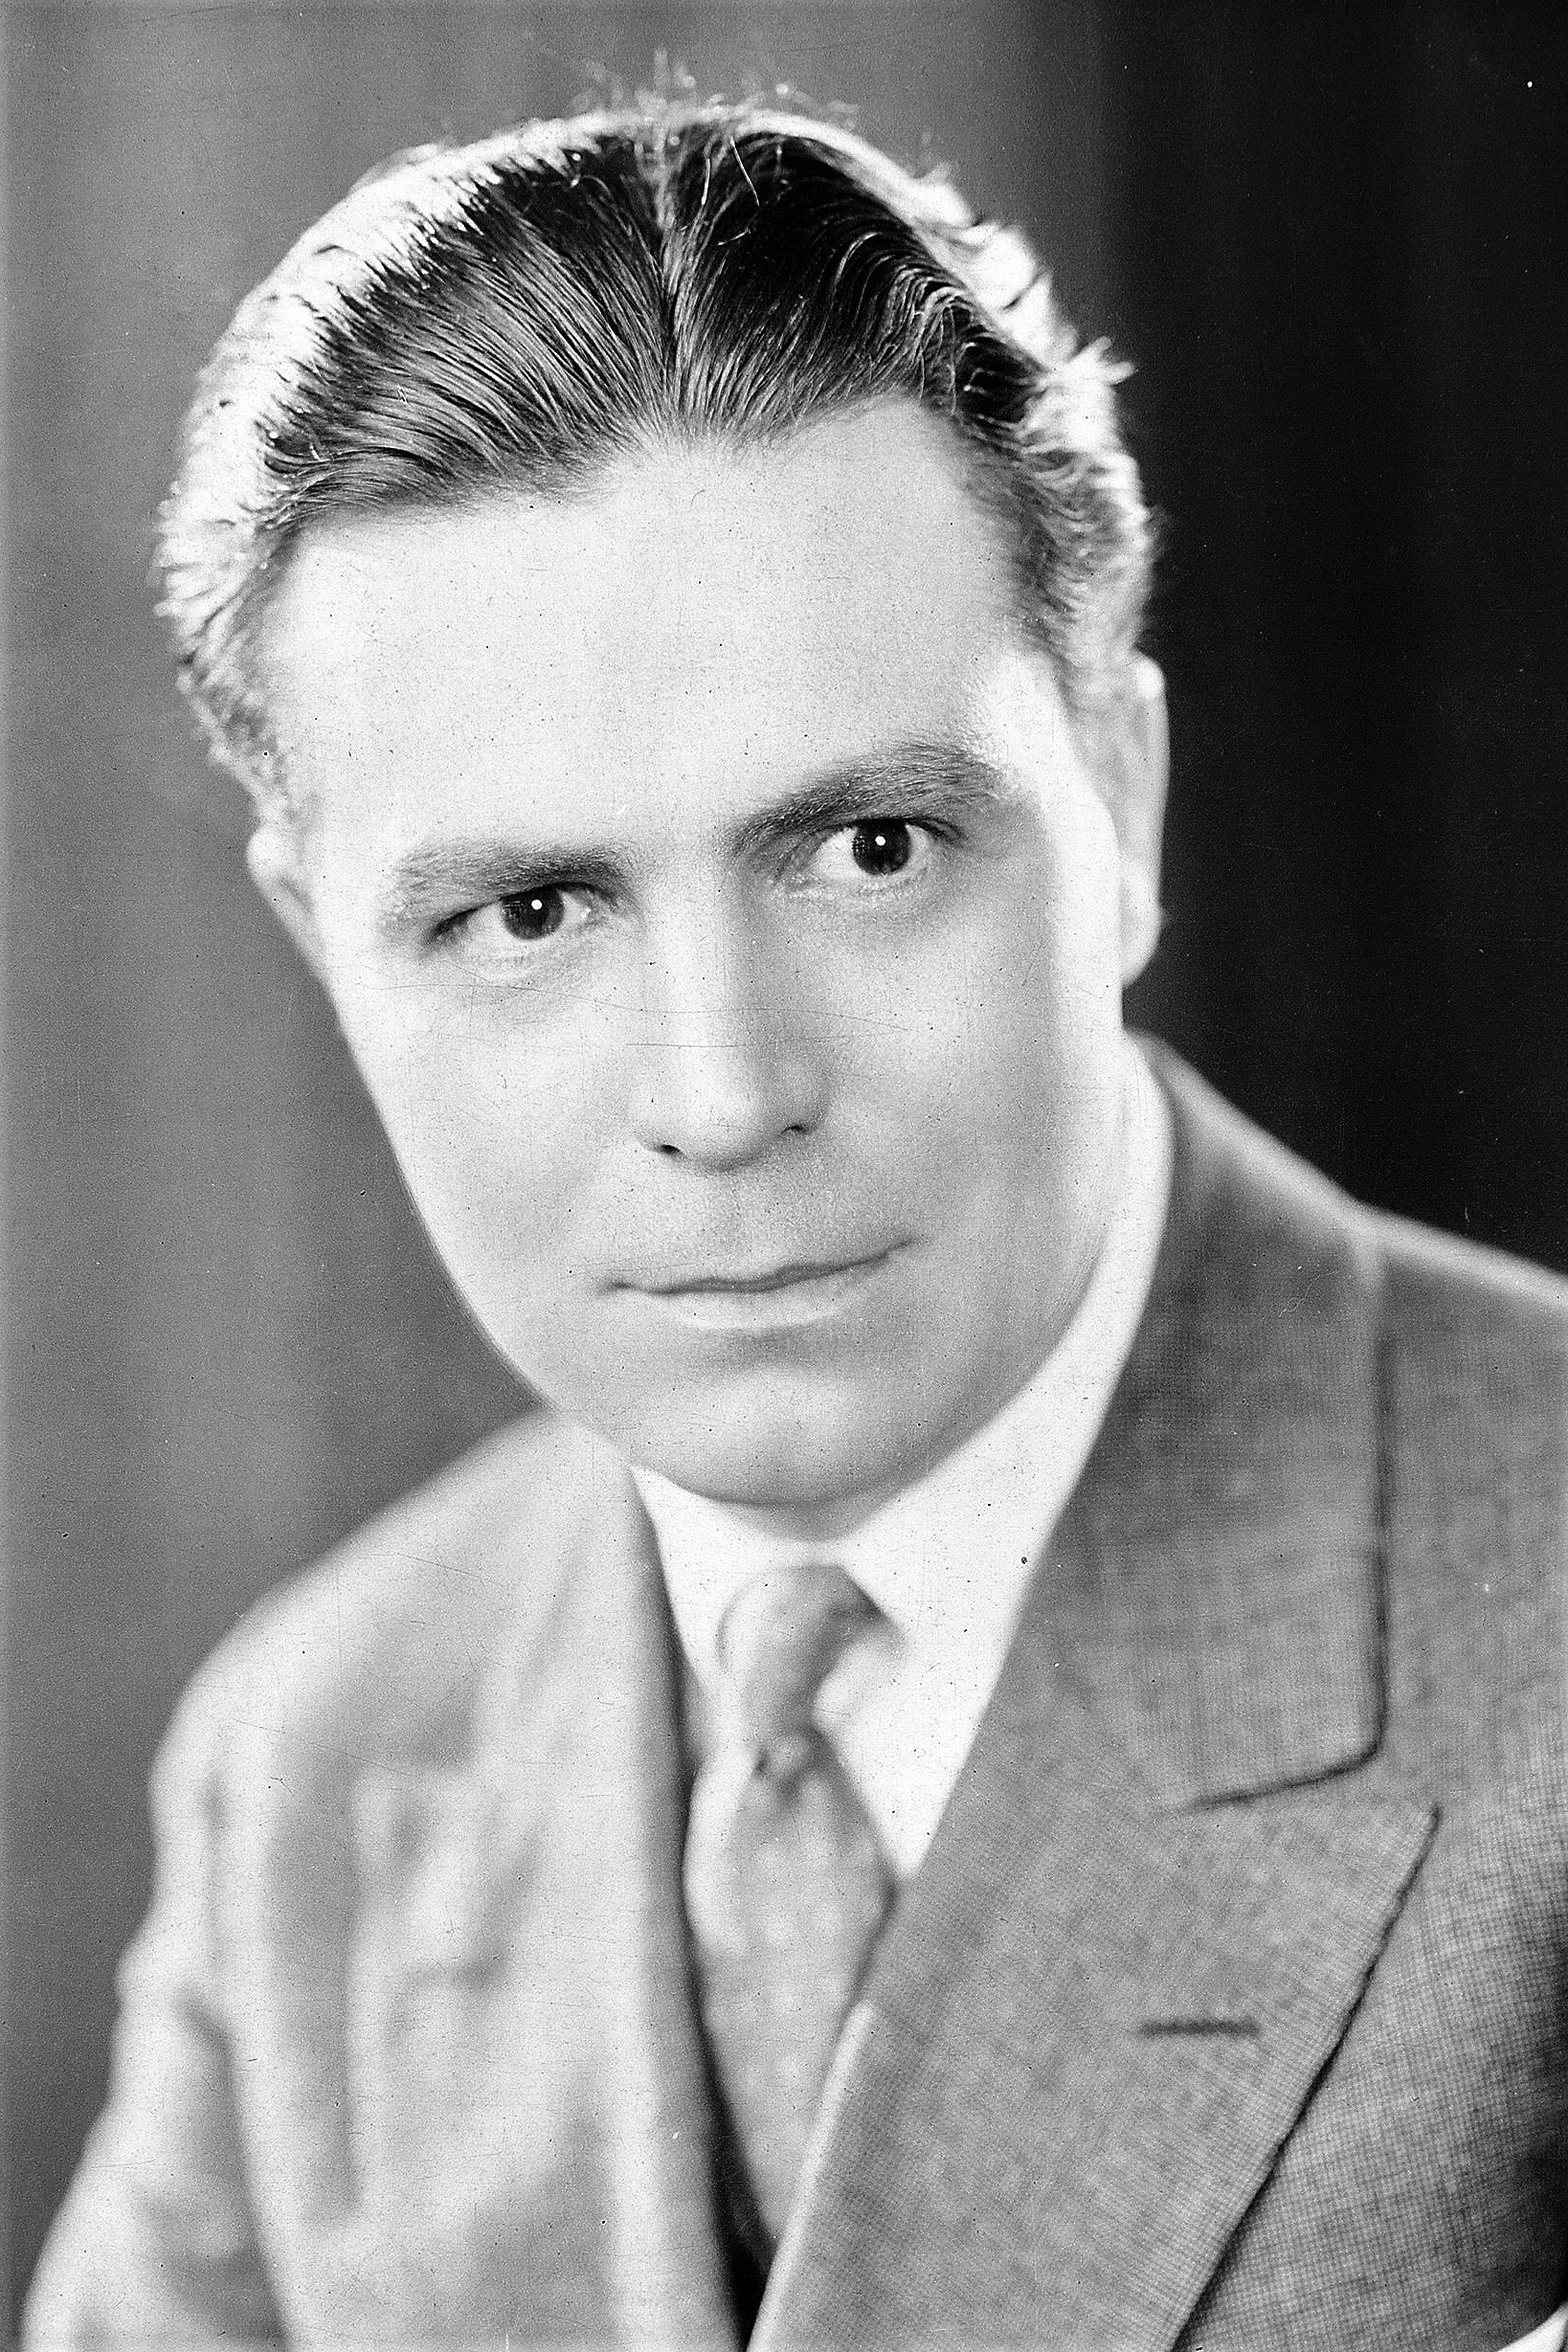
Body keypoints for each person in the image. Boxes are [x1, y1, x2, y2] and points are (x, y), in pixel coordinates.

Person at [23, 102, 1568, 2352]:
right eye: (527, 912)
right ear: (324, 950)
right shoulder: (316, 1765)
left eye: (869, 850)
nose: (726, 1091)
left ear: (1123, 805)